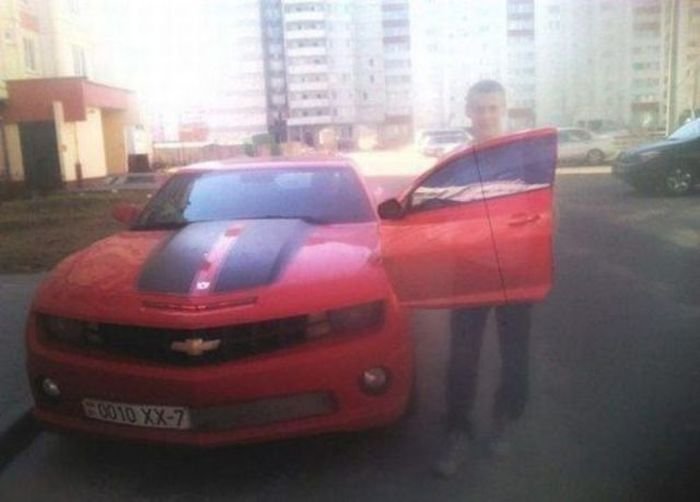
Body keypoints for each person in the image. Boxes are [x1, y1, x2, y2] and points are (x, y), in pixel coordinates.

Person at [433, 79, 534, 478]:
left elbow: (546, 208)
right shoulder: (457, 160)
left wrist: (540, 260)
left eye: (494, 107)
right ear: (468, 112)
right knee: (462, 358)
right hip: (470, 271)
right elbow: (437, 213)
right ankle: (457, 431)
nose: (487, 115)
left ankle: (504, 420)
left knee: (516, 357)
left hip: (516, 271)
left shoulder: (525, 155)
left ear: (504, 109)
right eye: (479, 108)